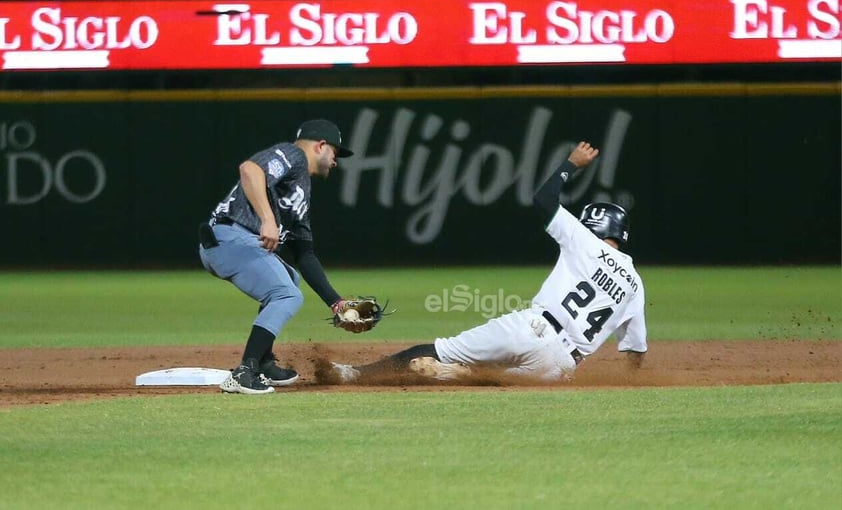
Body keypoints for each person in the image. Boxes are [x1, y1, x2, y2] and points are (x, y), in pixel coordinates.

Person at [323, 141, 647, 385]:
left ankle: (353, 374)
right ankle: (460, 374)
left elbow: (544, 200)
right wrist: (629, 382)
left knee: (439, 349)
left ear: (591, 225)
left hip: (532, 329)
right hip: (560, 367)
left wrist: (570, 164)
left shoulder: (584, 239)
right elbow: (635, 351)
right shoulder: (634, 284)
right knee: (492, 380)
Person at [199, 118, 359, 395]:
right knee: (287, 295)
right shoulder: (293, 154)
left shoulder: (301, 194)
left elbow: (304, 254)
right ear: (320, 146)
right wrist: (267, 219)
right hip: (228, 237)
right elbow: (249, 169)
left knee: (290, 279)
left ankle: (263, 363)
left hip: (237, 242)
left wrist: (337, 304)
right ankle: (245, 371)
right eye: (335, 152)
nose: (336, 161)